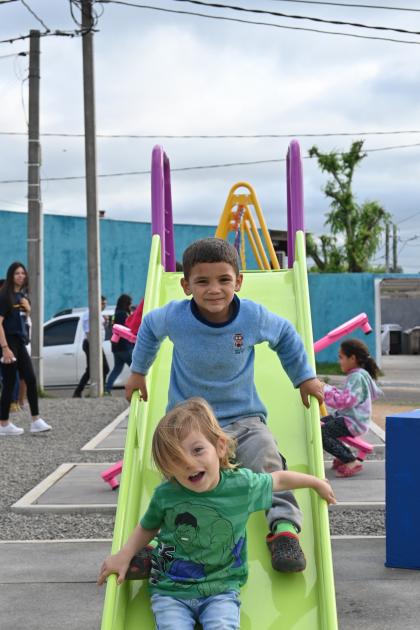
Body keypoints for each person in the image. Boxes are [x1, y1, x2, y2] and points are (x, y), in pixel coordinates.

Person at [125, 237, 324, 573]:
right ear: (186, 285)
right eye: (202, 281)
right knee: (179, 479)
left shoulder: (252, 317)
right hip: (189, 425)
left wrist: (303, 377)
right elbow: (148, 329)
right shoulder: (174, 317)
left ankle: (285, 531)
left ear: (239, 281)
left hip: (242, 418)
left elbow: (287, 336)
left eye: (223, 280)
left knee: (266, 455)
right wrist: (138, 372)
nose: (213, 289)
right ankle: (164, 551)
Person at [98, 398, 335, 628]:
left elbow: (279, 479)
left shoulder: (241, 486)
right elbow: (147, 525)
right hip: (170, 590)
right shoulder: (167, 495)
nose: (189, 464)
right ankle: (155, 553)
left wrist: (315, 483)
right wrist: (124, 554)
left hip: (221, 588)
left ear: (220, 446)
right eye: (176, 459)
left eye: (198, 450)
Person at [0, 262, 51, 436]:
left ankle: (36, 420)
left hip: (19, 342)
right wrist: (5, 348)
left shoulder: (20, 295)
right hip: (8, 342)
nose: (21, 276)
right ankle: (3, 423)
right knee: (9, 383)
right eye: (17, 273)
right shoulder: (5, 296)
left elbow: (21, 320)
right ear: (10, 275)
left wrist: (28, 310)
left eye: (23, 273)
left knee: (30, 378)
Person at [321, 338, 382, 478]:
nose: (339, 361)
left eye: (341, 357)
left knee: (321, 432)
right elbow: (347, 397)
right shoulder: (360, 375)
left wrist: (325, 391)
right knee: (320, 423)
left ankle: (350, 460)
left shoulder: (356, 377)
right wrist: (328, 388)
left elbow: (344, 402)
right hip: (351, 418)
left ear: (352, 358)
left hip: (352, 422)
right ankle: (342, 456)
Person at [73, 295, 110, 398]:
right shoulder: (89, 314)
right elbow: (89, 331)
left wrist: (105, 322)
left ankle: (94, 391)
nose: (104, 306)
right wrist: (95, 347)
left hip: (97, 344)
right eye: (102, 303)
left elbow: (101, 329)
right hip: (91, 344)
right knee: (100, 368)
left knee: (96, 369)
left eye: (105, 304)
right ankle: (94, 391)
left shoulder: (99, 314)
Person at [105, 294, 134, 395]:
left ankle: (107, 390)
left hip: (116, 348)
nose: (131, 305)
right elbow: (127, 330)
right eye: (130, 303)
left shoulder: (116, 314)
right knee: (137, 368)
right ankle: (136, 388)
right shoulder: (122, 315)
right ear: (126, 304)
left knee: (117, 369)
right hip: (125, 347)